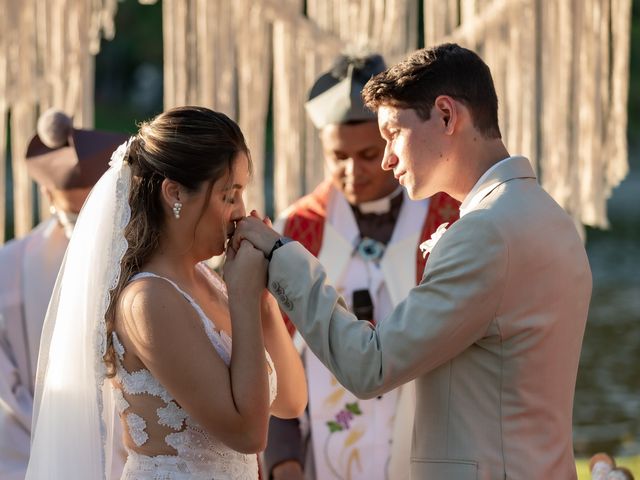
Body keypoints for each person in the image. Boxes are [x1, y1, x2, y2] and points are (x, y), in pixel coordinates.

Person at [233, 43, 592, 479]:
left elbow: (372, 366)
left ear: (445, 115)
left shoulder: (484, 232)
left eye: (391, 135)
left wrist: (280, 254)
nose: (386, 159)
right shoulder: (549, 216)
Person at [24, 106, 307, 480]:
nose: (241, 212)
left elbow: (290, 401)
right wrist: (241, 297)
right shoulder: (147, 300)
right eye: (228, 195)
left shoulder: (209, 279)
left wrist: (262, 303)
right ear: (175, 192)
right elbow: (249, 433)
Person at [263, 53, 459, 480]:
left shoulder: (448, 217)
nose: (353, 171)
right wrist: (283, 460)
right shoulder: (299, 228)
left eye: (369, 154)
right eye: (338, 156)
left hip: (431, 445)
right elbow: (272, 354)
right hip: (321, 453)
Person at [0, 109, 128, 480]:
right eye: (73, 215)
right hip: (28, 447)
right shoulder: (9, 268)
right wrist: (57, 448)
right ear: (47, 194)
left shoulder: (133, 260)